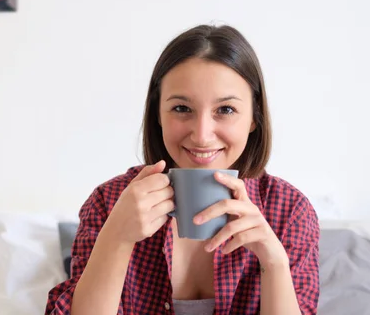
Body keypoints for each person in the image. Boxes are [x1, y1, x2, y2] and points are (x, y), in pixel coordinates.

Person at [45, 24, 320, 315]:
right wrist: (116, 238)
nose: (202, 135)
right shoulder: (108, 202)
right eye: (181, 108)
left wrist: (274, 262)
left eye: (225, 110)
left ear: (254, 117)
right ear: (158, 115)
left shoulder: (289, 211)